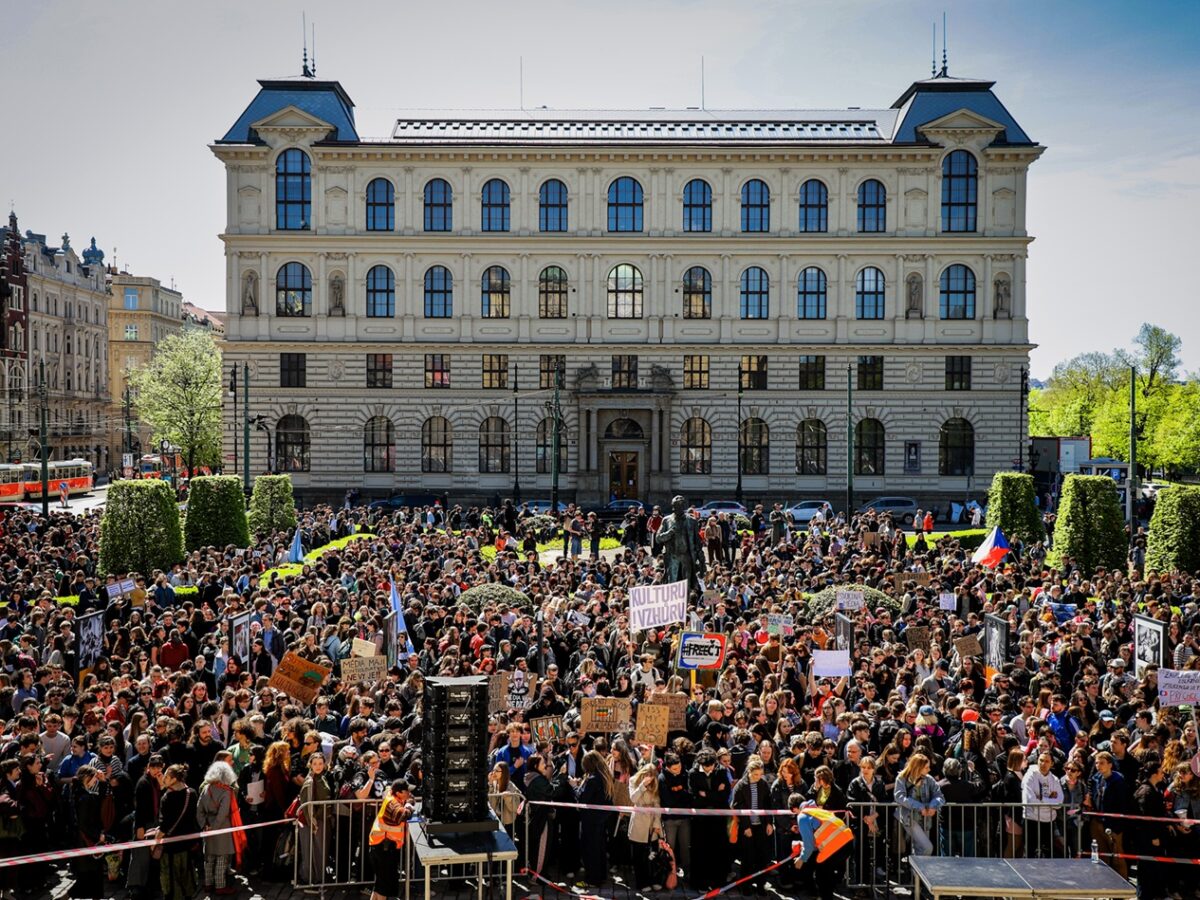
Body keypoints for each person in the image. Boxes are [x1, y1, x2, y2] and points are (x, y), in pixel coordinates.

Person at [197, 760, 244, 895]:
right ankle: (220, 886)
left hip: (207, 827)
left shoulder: (206, 788)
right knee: (222, 859)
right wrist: (215, 827)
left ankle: (208, 884)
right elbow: (223, 813)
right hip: (222, 828)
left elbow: (199, 810)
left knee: (209, 858)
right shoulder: (227, 792)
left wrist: (204, 825)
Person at [792, 799, 854, 900]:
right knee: (826, 874)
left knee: (822, 877)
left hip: (836, 847)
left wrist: (801, 859)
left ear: (797, 809)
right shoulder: (820, 811)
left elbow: (809, 846)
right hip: (849, 842)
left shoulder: (802, 816)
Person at [732, 755, 775, 895]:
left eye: (760, 774)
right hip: (748, 826)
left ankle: (761, 884)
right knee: (747, 857)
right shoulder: (741, 786)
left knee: (761, 857)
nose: (758, 777)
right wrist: (746, 827)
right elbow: (738, 807)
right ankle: (745, 885)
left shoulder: (763, 784)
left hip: (761, 826)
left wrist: (769, 822)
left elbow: (768, 805)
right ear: (749, 772)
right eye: (755, 774)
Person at [156, 763, 198, 900]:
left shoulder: (167, 798)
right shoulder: (191, 793)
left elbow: (164, 826)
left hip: (170, 847)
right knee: (186, 876)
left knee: (172, 880)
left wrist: (155, 842)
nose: (164, 779)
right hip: (187, 845)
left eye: (167, 777)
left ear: (174, 779)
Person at [368, 779, 413, 900]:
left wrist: (408, 801)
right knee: (384, 886)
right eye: (406, 791)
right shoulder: (392, 802)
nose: (408, 793)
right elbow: (402, 815)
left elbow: (409, 798)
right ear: (399, 792)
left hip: (381, 846)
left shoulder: (394, 797)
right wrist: (409, 806)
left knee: (379, 885)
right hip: (384, 848)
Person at [576, 750, 615, 888]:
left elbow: (582, 799)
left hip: (591, 819)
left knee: (590, 849)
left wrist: (576, 787)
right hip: (601, 819)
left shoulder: (592, 779)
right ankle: (601, 876)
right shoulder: (606, 776)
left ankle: (592, 879)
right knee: (599, 848)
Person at [893, 752, 943, 857]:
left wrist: (933, 806)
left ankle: (915, 872)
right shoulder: (902, 778)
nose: (929, 770)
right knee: (927, 847)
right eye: (926, 767)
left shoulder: (929, 779)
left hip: (926, 819)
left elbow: (939, 796)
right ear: (918, 767)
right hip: (909, 818)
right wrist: (919, 806)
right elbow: (899, 797)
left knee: (920, 849)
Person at [296, 751, 334, 885]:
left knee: (320, 851)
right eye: (315, 764)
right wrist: (313, 822)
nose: (318, 766)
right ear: (310, 765)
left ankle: (319, 877)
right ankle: (312, 878)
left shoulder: (321, 777)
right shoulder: (310, 781)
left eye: (320, 763)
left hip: (323, 819)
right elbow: (307, 805)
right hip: (315, 822)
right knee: (313, 851)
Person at [628, 763, 664, 891]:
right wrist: (642, 786)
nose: (650, 778)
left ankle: (654, 880)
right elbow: (633, 798)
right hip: (638, 824)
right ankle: (642, 882)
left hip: (652, 823)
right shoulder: (633, 781)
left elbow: (657, 804)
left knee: (653, 855)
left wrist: (656, 824)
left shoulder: (656, 784)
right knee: (639, 857)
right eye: (647, 775)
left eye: (652, 776)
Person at [1021, 750, 1061, 859]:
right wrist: (1049, 801)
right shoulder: (1029, 777)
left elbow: (1059, 803)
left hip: (1048, 821)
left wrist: (1042, 799)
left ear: (1052, 763)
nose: (1043, 764)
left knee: (1047, 853)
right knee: (1030, 852)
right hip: (1031, 820)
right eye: (1041, 760)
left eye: (1047, 761)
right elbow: (1029, 801)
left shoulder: (1055, 779)